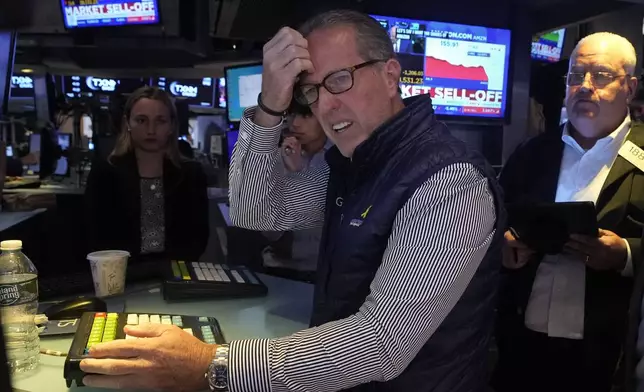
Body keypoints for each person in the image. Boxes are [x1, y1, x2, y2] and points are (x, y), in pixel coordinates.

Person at [78, 10, 504, 392]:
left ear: (391, 75)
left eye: (340, 79)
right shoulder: (352, 163)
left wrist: (213, 365)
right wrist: (268, 108)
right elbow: (254, 210)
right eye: (313, 91)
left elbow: (380, 345)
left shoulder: (449, 182)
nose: (326, 105)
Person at [493, 32, 644, 392]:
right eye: (576, 76)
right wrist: (503, 245)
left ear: (630, 87)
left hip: (608, 353)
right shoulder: (531, 153)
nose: (585, 87)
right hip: (524, 346)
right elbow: (492, 223)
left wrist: (625, 255)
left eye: (601, 75)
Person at [84, 86, 209, 262]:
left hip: (175, 272)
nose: (151, 130)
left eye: (160, 121)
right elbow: (96, 236)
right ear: (128, 123)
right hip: (120, 273)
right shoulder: (105, 171)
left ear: (172, 125)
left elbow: (197, 238)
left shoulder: (191, 174)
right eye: (142, 120)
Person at [261, 99, 330, 277]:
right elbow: (268, 228)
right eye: (291, 114)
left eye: (306, 116)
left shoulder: (340, 158)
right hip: (277, 267)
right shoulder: (278, 156)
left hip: (321, 272)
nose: (295, 124)